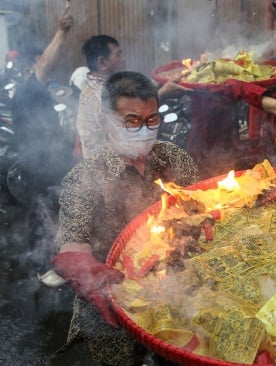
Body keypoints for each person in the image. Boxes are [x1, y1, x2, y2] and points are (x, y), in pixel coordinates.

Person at [52, 71, 199, 365]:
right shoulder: (85, 178)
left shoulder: (175, 158)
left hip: (179, 294)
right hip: (112, 303)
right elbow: (72, 245)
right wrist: (89, 274)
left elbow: (200, 208)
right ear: (107, 121)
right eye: (131, 121)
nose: (144, 130)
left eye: (152, 120)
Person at [76, 35, 188, 159]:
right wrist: (162, 95)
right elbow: (130, 122)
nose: (123, 59)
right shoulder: (99, 93)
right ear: (102, 62)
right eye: (118, 55)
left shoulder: (106, 84)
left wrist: (159, 82)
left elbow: (133, 95)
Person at [10, 6, 76, 198]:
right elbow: (44, 66)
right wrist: (61, 33)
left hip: (52, 169)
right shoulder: (26, 91)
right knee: (46, 220)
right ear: (28, 67)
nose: (50, 67)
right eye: (40, 63)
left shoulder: (41, 92)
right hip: (41, 175)